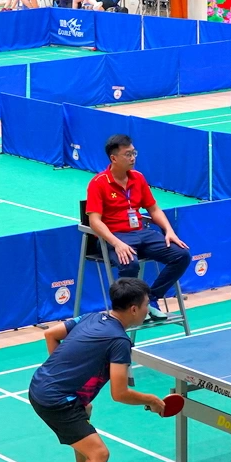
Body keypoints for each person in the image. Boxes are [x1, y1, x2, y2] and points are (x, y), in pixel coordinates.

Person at [28, 276, 171, 462]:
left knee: (87, 408)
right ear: (133, 309)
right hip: (56, 401)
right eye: (146, 305)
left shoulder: (93, 317)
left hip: (40, 384)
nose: (147, 309)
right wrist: (152, 399)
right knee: (100, 454)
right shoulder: (119, 341)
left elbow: (50, 334)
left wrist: (61, 371)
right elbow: (120, 393)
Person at [84, 134, 191, 322]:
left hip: (141, 233)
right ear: (113, 158)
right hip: (115, 236)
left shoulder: (138, 178)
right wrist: (117, 243)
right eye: (128, 154)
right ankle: (131, 310)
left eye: (134, 153)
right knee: (130, 263)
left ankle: (149, 300)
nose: (133, 158)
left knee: (181, 255)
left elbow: (153, 209)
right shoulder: (98, 183)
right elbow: (94, 221)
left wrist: (169, 231)